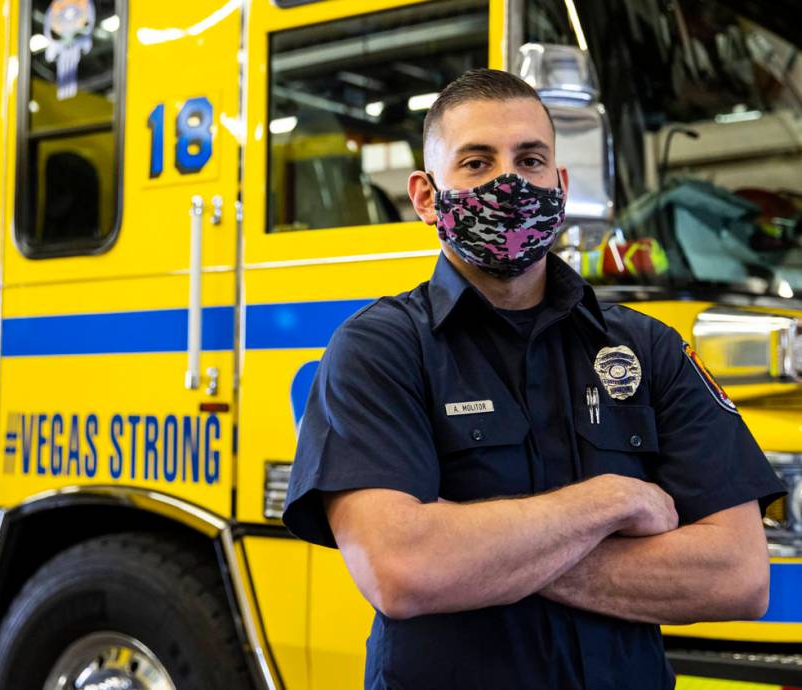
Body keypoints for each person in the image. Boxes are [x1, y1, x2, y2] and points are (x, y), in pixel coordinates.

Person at [281, 69, 785, 690]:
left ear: (562, 186)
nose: (509, 183)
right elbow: (404, 571)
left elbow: (738, 576)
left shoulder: (647, 347)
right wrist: (613, 500)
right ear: (425, 196)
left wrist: (481, 554)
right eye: (475, 162)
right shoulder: (378, 349)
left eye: (530, 159)